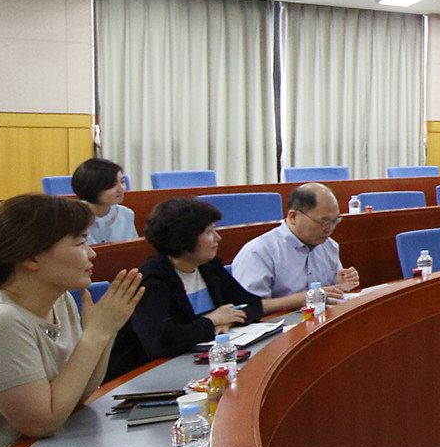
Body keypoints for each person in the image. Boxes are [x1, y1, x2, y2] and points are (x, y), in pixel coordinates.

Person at [0, 194, 145, 447]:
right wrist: (96, 334)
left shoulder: (60, 300)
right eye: (80, 243)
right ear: (32, 257)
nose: (92, 253)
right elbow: (42, 423)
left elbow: (79, 394)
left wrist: (107, 330)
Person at [110, 198, 268, 379]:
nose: (218, 238)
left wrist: (227, 321)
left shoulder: (209, 266)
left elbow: (253, 304)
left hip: (194, 364)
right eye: (209, 232)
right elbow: (161, 342)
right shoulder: (151, 280)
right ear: (185, 237)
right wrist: (211, 321)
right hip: (143, 374)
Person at [229, 184, 361, 307]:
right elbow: (249, 307)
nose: (330, 229)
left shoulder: (329, 245)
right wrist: (301, 299)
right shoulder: (258, 252)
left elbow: (331, 294)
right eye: (324, 222)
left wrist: (340, 283)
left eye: (335, 221)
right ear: (293, 217)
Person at [71, 156, 135, 245]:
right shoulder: (73, 218)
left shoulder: (126, 214)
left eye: (122, 182)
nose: (121, 189)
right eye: (112, 185)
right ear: (92, 187)